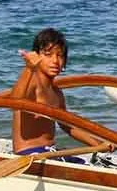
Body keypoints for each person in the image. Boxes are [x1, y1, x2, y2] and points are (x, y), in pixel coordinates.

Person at [9, 28, 109, 160]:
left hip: (51, 152)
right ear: (36, 56)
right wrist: (29, 68)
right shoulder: (32, 84)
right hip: (29, 154)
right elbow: (14, 103)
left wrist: (99, 144)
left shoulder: (56, 93)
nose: (55, 61)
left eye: (60, 55)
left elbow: (67, 126)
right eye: (48, 55)